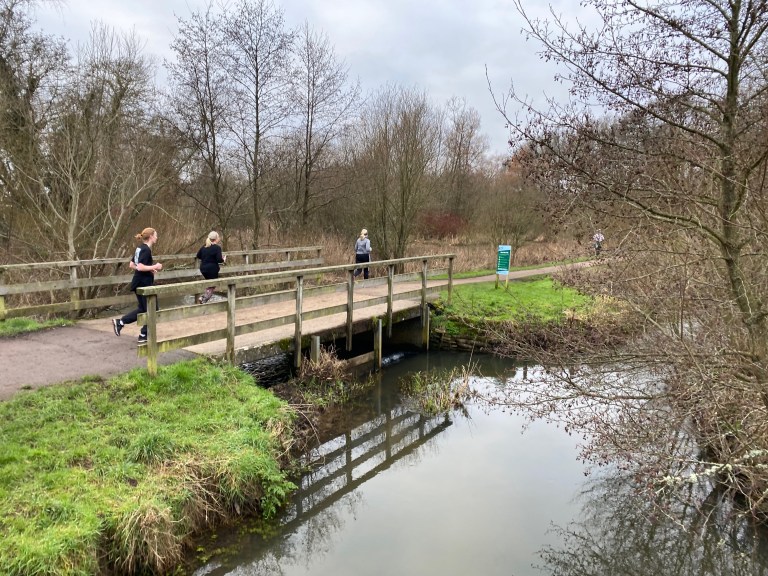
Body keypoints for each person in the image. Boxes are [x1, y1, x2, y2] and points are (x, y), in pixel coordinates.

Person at [112, 228, 162, 345]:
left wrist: (150, 269)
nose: (156, 237)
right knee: (153, 309)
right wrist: (155, 266)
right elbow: (139, 267)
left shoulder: (140, 248)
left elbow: (132, 265)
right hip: (143, 284)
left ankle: (121, 322)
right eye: (155, 235)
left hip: (138, 282)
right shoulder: (146, 250)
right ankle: (143, 334)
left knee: (143, 309)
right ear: (150, 237)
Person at [196, 231, 226, 303]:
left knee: (210, 284)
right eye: (218, 237)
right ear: (216, 239)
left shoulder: (204, 247)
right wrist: (223, 259)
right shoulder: (217, 248)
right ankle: (203, 299)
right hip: (212, 269)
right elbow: (219, 260)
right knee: (212, 285)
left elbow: (198, 255)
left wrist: (206, 257)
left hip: (203, 269)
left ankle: (203, 297)